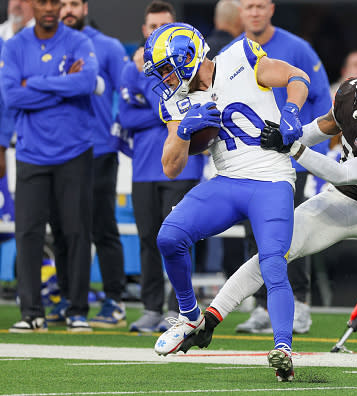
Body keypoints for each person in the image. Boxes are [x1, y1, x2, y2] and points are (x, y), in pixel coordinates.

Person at [181, 57, 357, 379]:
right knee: (272, 253)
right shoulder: (351, 93)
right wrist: (293, 136)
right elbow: (326, 126)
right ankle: (210, 319)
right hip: (336, 203)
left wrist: (293, 149)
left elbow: (344, 173)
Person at [143, 21, 309, 381]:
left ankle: (282, 348)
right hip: (228, 180)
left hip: (271, 179)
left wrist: (292, 111)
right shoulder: (176, 99)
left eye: (167, 70)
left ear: (188, 56)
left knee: (272, 262)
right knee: (169, 237)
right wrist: (184, 131)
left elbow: (297, 77)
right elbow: (171, 167)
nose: (166, 80)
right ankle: (190, 316)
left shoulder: (240, 56)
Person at [234, 0, 332, 335]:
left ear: (271, 8)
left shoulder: (297, 48)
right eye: (249, 6)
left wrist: (304, 143)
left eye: (260, 5)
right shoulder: (235, 52)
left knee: (293, 233)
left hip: (292, 160)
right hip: (251, 162)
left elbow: (323, 100)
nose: (255, 12)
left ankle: (301, 305)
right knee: (255, 235)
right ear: (240, 12)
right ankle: (261, 307)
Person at [2, 0, 99, 332]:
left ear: (60, 6)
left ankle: (77, 310)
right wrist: (61, 87)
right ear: (33, 5)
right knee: (27, 233)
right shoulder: (15, 46)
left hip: (74, 150)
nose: (48, 8)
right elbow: (12, 96)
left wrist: (37, 83)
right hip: (31, 152)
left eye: (53, 2)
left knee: (74, 232)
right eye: (41, 2)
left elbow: (87, 83)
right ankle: (31, 313)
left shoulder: (79, 42)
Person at [43, 0, 129, 329]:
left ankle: (114, 299)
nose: (67, 9)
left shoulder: (107, 46)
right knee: (62, 229)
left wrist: (117, 131)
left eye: (73, 4)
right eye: (62, 4)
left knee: (102, 227)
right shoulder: (45, 46)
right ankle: (67, 296)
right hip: (58, 152)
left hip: (98, 150)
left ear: (84, 7)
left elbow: (129, 90)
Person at [122, 1, 204, 333]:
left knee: (179, 238)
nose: (156, 31)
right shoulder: (132, 68)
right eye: (152, 26)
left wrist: (160, 112)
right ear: (144, 31)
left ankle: (179, 309)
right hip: (143, 168)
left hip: (183, 166)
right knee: (147, 239)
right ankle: (151, 307)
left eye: (163, 25)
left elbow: (193, 115)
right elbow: (124, 117)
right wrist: (168, 114)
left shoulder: (189, 66)